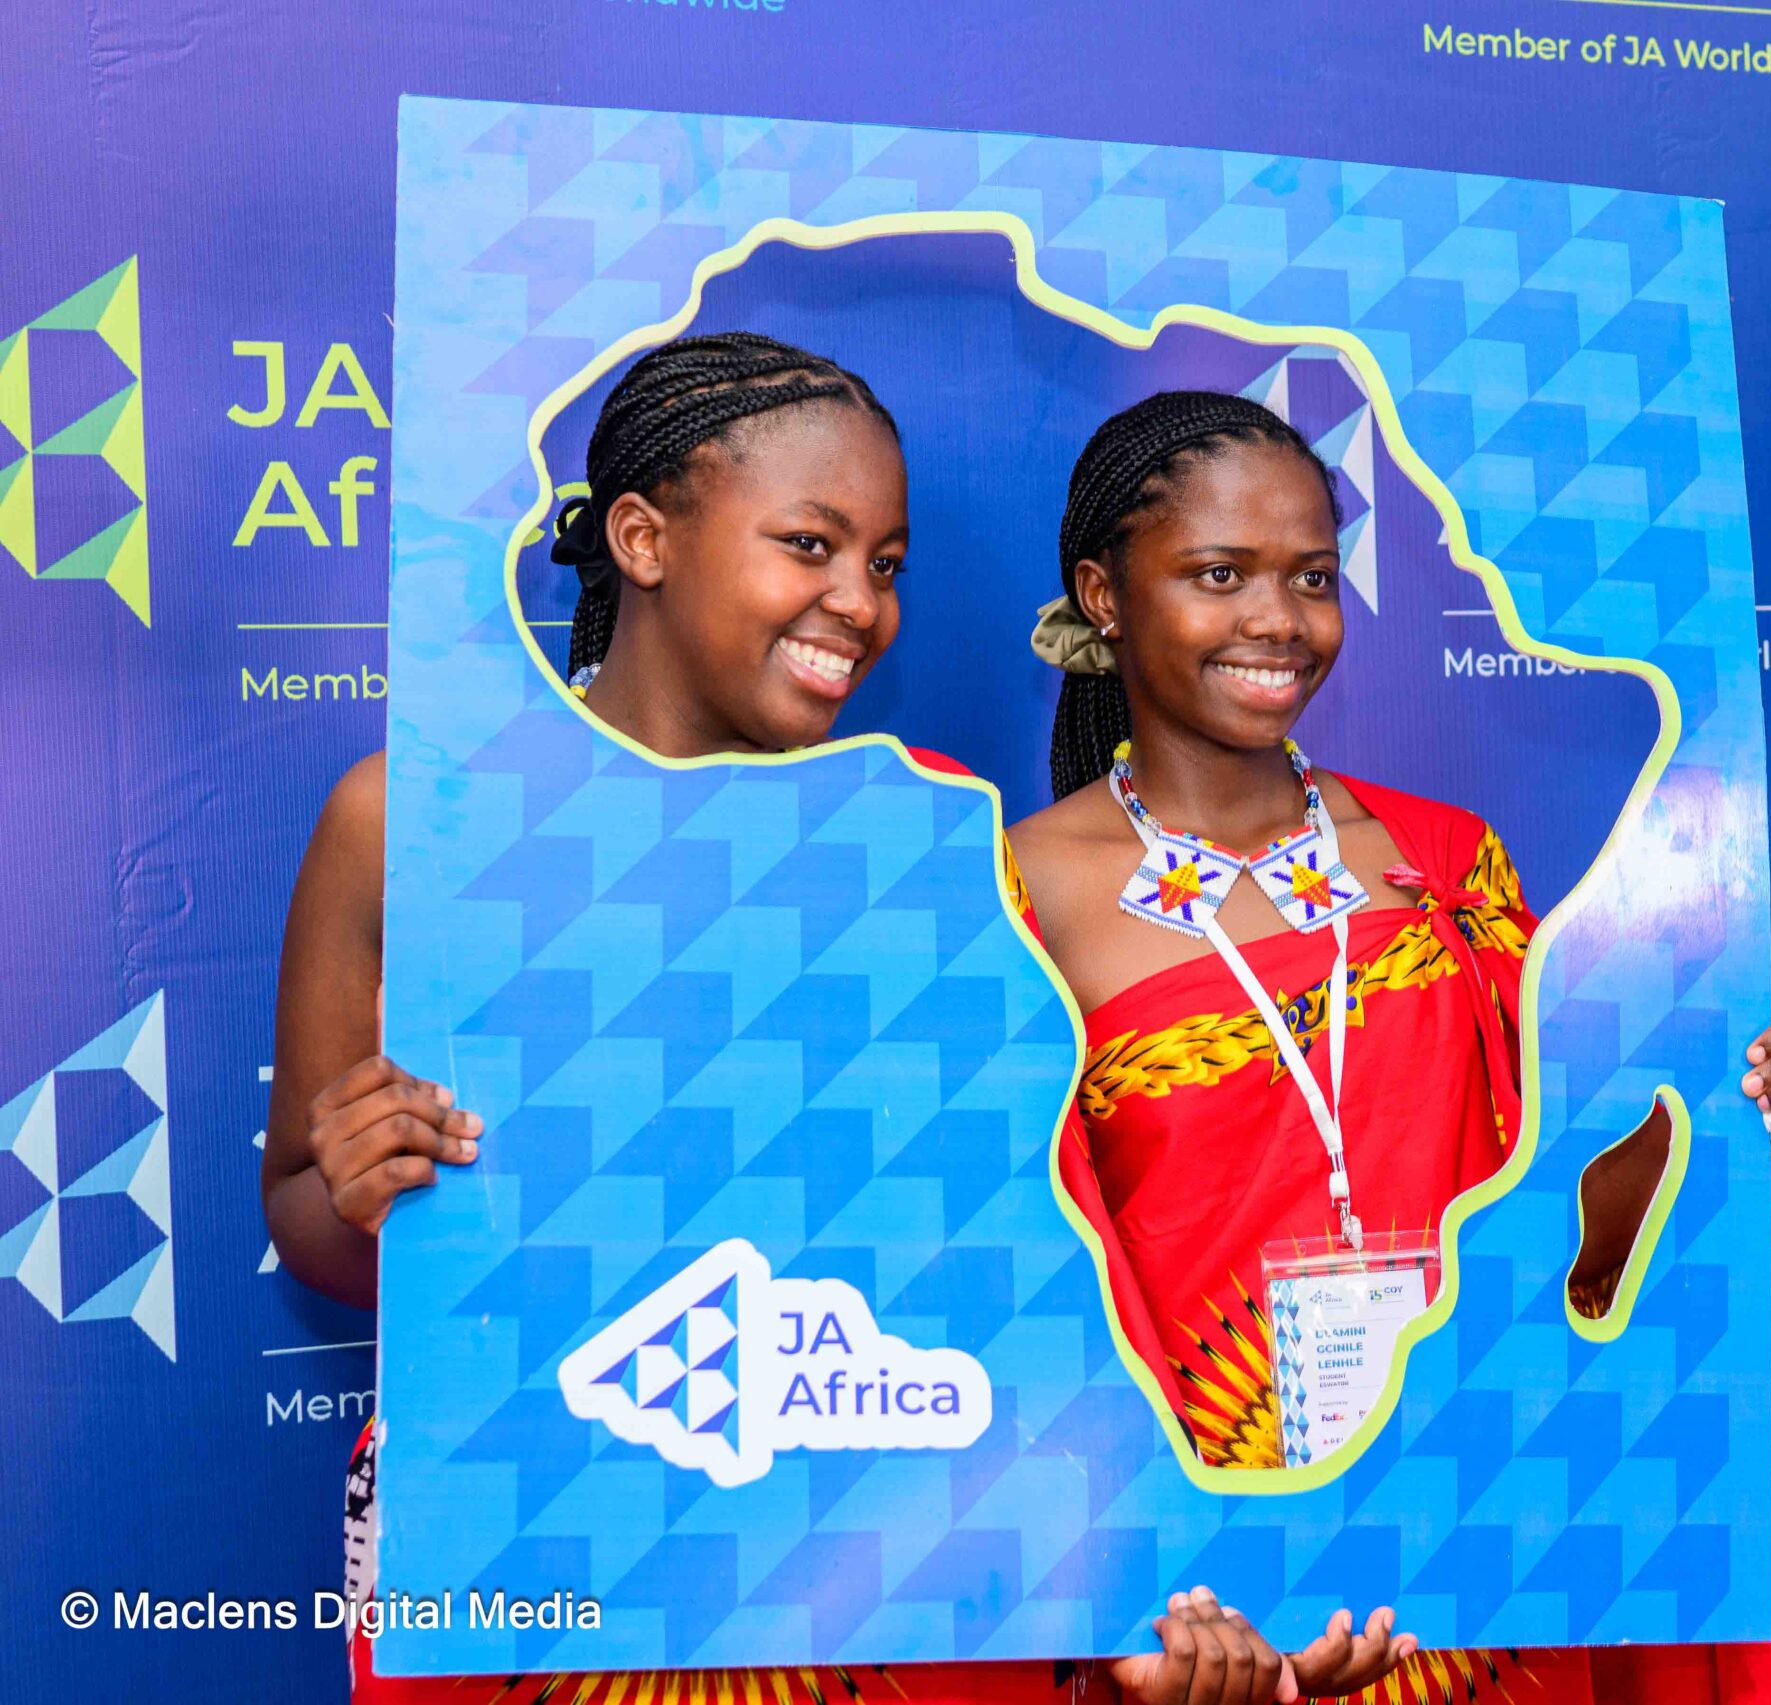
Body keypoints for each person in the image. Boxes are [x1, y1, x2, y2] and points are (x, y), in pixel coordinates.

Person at [264, 335, 1372, 1705]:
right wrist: (364, 1183)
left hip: (860, 1559)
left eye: (886, 564)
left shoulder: (926, 834)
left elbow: (1024, 1264)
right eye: (811, 545)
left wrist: (1127, 1592)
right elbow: (308, 1223)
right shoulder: (414, 821)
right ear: (643, 538)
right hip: (524, 1530)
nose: (861, 603)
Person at [1006, 390, 1771, 1703]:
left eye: (1311, 576)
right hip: (1200, 1590)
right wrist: (1147, 1611)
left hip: (1477, 1539)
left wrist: (1728, 1107)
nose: (1279, 619)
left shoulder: (1442, 859)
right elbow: (1023, 1300)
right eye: (1219, 575)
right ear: (1104, 595)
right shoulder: (1014, 898)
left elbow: (1570, 1196)